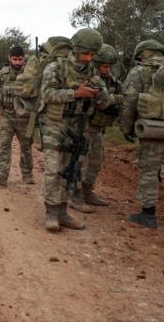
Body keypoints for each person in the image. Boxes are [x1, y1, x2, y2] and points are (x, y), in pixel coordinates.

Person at [39, 28, 109, 232]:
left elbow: (104, 100)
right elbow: (48, 94)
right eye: (85, 54)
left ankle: (62, 212)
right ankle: (51, 213)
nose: (88, 58)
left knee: (69, 171)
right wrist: (76, 93)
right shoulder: (55, 67)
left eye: (92, 55)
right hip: (54, 124)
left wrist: (100, 95)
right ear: (76, 50)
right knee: (53, 170)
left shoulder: (93, 72)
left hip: (78, 128)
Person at [121, 40, 164, 230]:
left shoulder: (140, 71)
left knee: (150, 170)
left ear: (144, 54)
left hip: (153, 129)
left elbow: (130, 102)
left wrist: (127, 128)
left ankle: (148, 215)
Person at [69, 44, 122, 213]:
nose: (108, 70)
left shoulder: (112, 81)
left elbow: (121, 97)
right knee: (79, 162)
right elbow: (102, 101)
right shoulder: (89, 78)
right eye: (105, 66)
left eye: (110, 67)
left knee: (96, 161)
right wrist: (115, 99)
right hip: (83, 126)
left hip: (98, 128)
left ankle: (87, 190)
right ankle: (74, 194)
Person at [0, 46, 34, 187]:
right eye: (15, 59)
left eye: (20, 59)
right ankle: (1, 174)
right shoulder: (2, 74)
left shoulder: (30, 74)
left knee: (26, 147)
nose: (18, 62)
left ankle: (27, 174)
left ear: (24, 59)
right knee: (4, 145)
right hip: (7, 116)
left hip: (26, 118)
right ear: (9, 58)